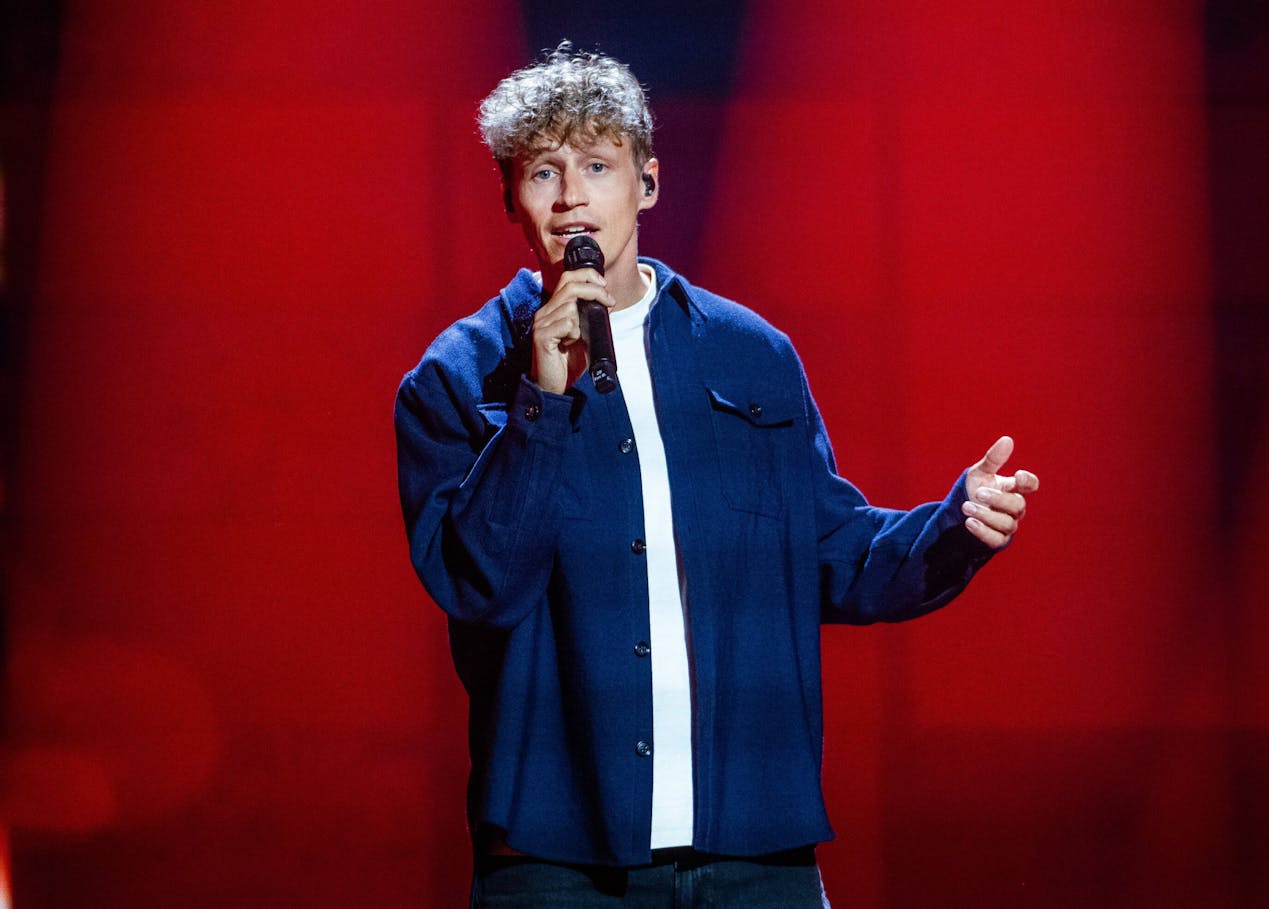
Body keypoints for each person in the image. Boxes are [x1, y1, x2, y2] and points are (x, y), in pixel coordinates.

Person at [394, 43, 1040, 907]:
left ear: (647, 183)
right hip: (557, 851)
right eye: (543, 171)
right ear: (511, 196)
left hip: (752, 846)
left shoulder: (750, 354)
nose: (572, 195)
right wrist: (542, 403)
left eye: (597, 164)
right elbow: (480, 582)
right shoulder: (460, 376)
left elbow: (834, 551)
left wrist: (956, 524)